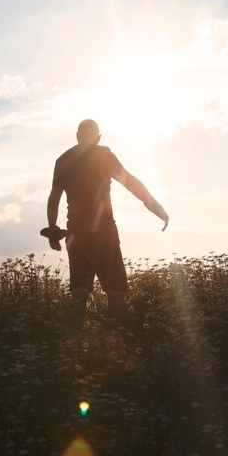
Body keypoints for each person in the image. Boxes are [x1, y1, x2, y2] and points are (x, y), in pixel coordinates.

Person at [46, 119, 169, 330]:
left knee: (79, 288)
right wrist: (156, 207)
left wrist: (52, 230)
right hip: (103, 228)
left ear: (77, 136)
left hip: (75, 230)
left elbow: (54, 197)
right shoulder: (103, 155)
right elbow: (130, 182)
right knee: (115, 289)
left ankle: (74, 342)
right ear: (98, 137)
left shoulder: (63, 160)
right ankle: (117, 337)